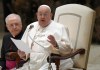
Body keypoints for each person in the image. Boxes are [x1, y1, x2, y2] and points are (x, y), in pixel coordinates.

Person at [17, 5, 74, 70]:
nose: (42, 17)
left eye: (45, 14)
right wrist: (23, 53)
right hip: (32, 64)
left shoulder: (60, 28)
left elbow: (68, 50)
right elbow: (24, 48)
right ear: (37, 15)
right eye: (40, 14)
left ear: (51, 15)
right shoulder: (31, 27)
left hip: (52, 63)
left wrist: (56, 44)